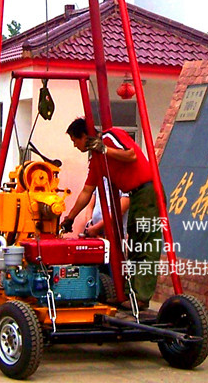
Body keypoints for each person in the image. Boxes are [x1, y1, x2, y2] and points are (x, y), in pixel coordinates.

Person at [60, 117, 162, 310]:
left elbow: (131, 155)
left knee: (146, 244)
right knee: (134, 247)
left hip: (147, 191)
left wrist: (104, 149)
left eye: (75, 141)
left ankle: (141, 297)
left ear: (84, 136)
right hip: (136, 196)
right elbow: (86, 192)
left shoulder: (110, 136)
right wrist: (70, 218)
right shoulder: (96, 161)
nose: (75, 145)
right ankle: (129, 294)